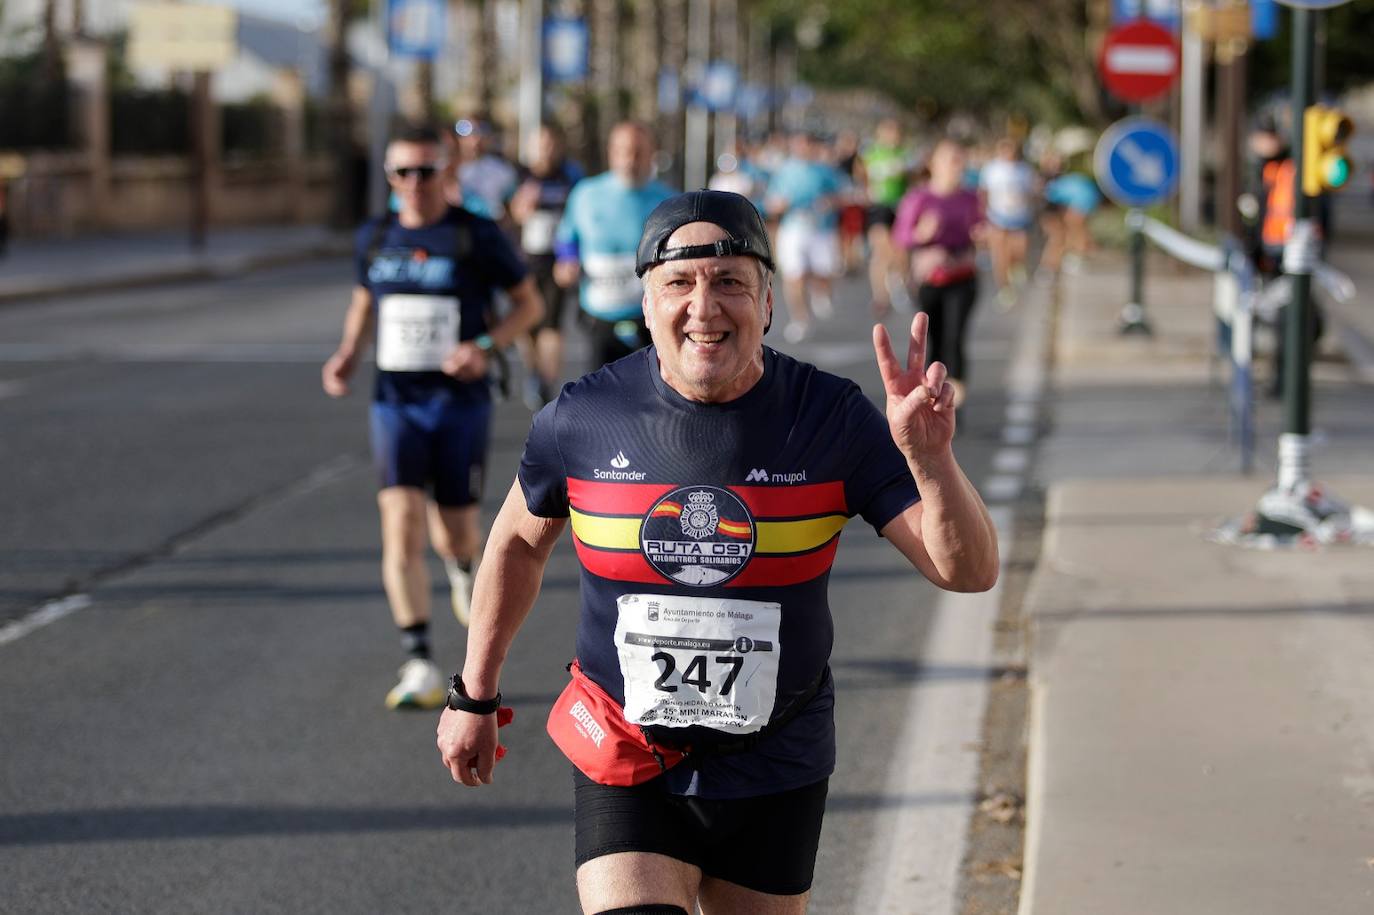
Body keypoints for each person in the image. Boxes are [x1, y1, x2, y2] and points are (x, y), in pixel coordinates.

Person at [435, 189, 998, 913]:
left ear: (767, 302)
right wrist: (474, 692)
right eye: (679, 282)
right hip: (625, 750)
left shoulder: (830, 418)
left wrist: (932, 463)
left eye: (730, 281)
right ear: (645, 305)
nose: (704, 307)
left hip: (776, 758)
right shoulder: (583, 417)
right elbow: (515, 540)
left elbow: (968, 569)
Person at [322, 125, 544, 709]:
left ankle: (462, 564)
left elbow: (530, 304)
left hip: (458, 403)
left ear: (447, 173)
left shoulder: (474, 234)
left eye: (426, 171)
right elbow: (365, 301)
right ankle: (418, 660)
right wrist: (348, 352)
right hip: (395, 401)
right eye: (403, 172)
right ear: (390, 179)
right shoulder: (375, 235)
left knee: (456, 530)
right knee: (399, 522)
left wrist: (486, 347)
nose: (414, 184)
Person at [554, 121, 676, 371]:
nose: (630, 160)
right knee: (600, 396)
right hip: (599, 312)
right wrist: (566, 261)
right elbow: (566, 237)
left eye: (638, 152)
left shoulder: (668, 200)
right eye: (622, 151)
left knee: (652, 393)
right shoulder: (586, 193)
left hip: (649, 316)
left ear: (652, 153)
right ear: (611, 153)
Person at [893, 139, 984, 408]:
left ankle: (955, 401)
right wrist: (921, 235)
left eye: (959, 159)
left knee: (955, 337)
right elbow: (901, 236)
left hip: (963, 275)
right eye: (949, 159)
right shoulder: (919, 197)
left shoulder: (970, 197)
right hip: (931, 278)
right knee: (933, 341)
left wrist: (981, 234)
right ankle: (932, 397)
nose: (955, 166)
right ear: (933, 164)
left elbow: (979, 226)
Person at [510, 123, 584, 410]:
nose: (546, 150)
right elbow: (509, 216)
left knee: (551, 323)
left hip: (557, 261)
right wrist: (520, 207)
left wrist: (573, 256)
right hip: (524, 260)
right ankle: (534, 371)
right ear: (529, 148)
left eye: (550, 144)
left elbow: (580, 214)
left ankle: (547, 383)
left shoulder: (570, 175)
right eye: (539, 145)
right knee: (526, 323)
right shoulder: (519, 175)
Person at [766, 132, 848, 343]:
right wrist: (779, 205)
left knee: (823, 272)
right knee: (795, 275)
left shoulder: (825, 171)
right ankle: (800, 319)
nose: (802, 148)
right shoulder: (785, 171)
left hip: (821, 230)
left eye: (806, 145)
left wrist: (831, 202)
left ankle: (821, 292)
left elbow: (845, 194)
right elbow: (772, 201)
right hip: (793, 229)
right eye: (798, 144)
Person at [859, 118, 914, 316]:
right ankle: (880, 296)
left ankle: (898, 281)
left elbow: (914, 178)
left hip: (899, 206)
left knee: (900, 250)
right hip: (878, 206)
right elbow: (861, 175)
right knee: (881, 250)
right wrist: (866, 192)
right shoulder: (871, 154)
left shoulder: (905, 155)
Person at [979, 137, 1037, 309]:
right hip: (996, 216)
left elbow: (1031, 193)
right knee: (999, 254)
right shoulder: (991, 169)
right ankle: (1004, 288)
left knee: (1018, 250)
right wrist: (983, 215)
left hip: (1020, 216)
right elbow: (983, 192)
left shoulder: (1024, 170)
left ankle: (1016, 267)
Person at [452, 118, 520, 225]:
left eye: (481, 131)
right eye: (466, 131)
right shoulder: (447, 170)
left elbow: (513, 208)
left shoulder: (503, 171)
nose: (475, 139)